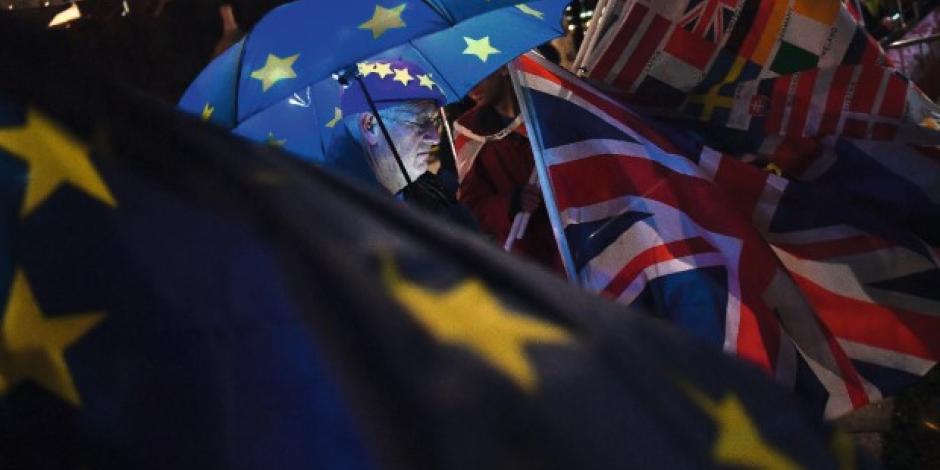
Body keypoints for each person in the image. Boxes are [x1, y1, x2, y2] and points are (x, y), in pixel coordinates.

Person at [323, 59, 477, 230]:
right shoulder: (335, 228)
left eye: (435, 121)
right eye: (421, 121)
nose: (435, 138)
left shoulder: (435, 193)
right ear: (370, 126)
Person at [454, 67, 562, 272]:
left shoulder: (550, 108)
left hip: (572, 241)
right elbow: (472, 206)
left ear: (504, 68)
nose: (471, 89)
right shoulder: (469, 131)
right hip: (527, 258)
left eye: (478, 76)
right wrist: (511, 204)